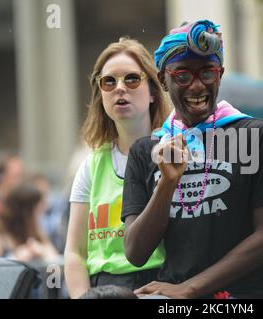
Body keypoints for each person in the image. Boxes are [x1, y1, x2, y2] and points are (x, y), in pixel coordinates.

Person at [122, 20, 263, 299]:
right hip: (175, 296)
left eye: (207, 73)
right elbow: (136, 252)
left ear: (220, 74)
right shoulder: (146, 151)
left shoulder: (255, 135)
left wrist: (191, 288)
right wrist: (167, 182)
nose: (197, 86)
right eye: (183, 76)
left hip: (247, 295)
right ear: (163, 80)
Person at [64, 37, 171, 299]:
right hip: (103, 290)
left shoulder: (174, 152)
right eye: (109, 82)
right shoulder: (91, 164)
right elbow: (75, 252)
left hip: (159, 287)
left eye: (132, 79)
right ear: (100, 95)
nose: (119, 88)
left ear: (153, 90)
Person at [0, 181, 59, 263]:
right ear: (26, 212)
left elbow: (56, 261)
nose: (40, 215)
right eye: (37, 211)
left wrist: (41, 251)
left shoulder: (35, 230)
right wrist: (15, 258)